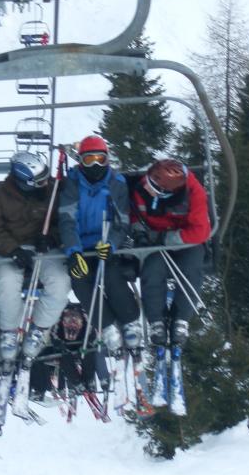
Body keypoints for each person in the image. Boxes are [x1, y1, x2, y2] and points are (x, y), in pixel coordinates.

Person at [58, 135, 142, 370]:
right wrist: (73, 252)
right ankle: (106, 325)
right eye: (89, 159)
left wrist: (112, 244)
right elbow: (67, 220)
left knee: (112, 275)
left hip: (105, 244)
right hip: (82, 246)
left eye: (100, 159)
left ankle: (130, 322)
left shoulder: (116, 183)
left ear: (107, 159)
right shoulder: (72, 184)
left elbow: (122, 222)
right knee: (80, 280)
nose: (95, 164)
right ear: (81, 162)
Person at [0, 151, 71, 364]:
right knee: (7, 283)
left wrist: (51, 238)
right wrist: (12, 249)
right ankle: (9, 330)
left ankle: (40, 328)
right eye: (39, 181)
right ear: (24, 182)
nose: (45, 183)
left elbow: (64, 221)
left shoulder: (52, 191)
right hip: (10, 250)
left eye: (46, 178)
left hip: (44, 248)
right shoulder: (0, 195)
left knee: (61, 282)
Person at [130, 158, 211, 349]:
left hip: (185, 241)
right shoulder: (143, 188)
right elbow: (134, 215)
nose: (149, 190)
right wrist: (139, 233)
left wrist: (168, 238)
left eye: (155, 190)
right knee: (152, 269)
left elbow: (201, 231)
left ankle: (181, 318)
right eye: (150, 184)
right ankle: (156, 320)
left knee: (191, 268)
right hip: (154, 241)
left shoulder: (194, 193)